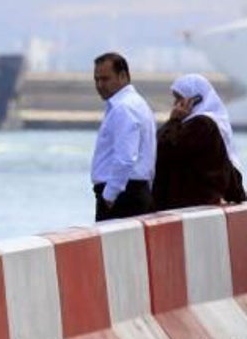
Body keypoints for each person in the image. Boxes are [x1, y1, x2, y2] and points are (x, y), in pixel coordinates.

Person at [153, 73, 246, 209]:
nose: (175, 105)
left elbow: (162, 148)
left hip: (187, 204)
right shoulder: (211, 123)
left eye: (179, 99)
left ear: (194, 100)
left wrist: (174, 120)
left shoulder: (201, 125)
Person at [91, 52, 156, 220]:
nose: (99, 85)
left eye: (105, 79)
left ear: (123, 76)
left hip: (122, 195)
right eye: (96, 80)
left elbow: (126, 157)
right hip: (133, 190)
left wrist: (109, 195)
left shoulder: (124, 108)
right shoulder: (136, 103)